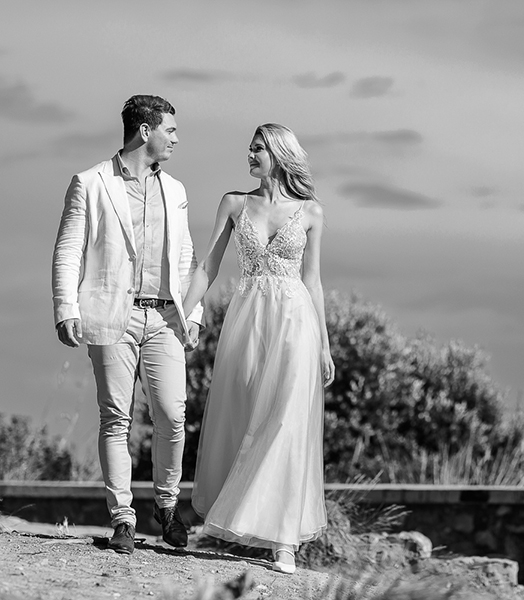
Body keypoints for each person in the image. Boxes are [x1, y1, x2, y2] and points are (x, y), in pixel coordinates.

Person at [51, 95, 203, 555]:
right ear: (145, 131)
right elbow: (68, 249)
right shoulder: (90, 182)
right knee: (115, 417)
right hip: (111, 314)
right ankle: (122, 518)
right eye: (170, 130)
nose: (176, 138)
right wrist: (66, 308)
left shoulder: (174, 189)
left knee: (172, 416)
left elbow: (185, 256)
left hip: (164, 317)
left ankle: (168, 506)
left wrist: (192, 314)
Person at [184, 123, 334, 574]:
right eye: (249, 149)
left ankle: (284, 541)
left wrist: (325, 345)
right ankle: (238, 523)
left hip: (295, 322)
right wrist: (181, 315)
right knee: (246, 416)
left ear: (280, 154)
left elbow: (313, 282)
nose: (250, 156)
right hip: (247, 319)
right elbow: (206, 267)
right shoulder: (234, 203)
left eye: (258, 150)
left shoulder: (311, 212)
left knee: (287, 422)